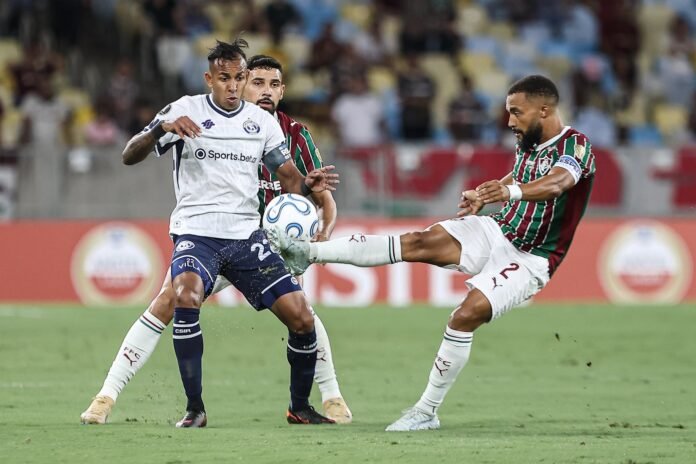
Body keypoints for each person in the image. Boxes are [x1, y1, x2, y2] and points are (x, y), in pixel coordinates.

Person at [271, 75, 596, 431]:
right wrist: (488, 193)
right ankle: (309, 252)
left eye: (516, 112)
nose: (509, 121)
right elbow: (522, 174)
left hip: (533, 256)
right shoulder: (529, 139)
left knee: (465, 316)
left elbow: (557, 183)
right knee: (418, 241)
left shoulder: (576, 146)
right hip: (498, 229)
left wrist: (510, 193)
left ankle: (426, 411)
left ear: (544, 110)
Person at [82, 39, 339, 428]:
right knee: (181, 297)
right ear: (209, 79)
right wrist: (161, 129)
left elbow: (289, 179)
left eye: (239, 78)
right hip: (197, 234)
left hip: (247, 238)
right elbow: (129, 154)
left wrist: (308, 185)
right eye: (225, 78)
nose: (233, 86)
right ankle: (190, 408)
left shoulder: (262, 123)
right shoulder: (184, 110)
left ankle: (300, 407)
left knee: (301, 316)